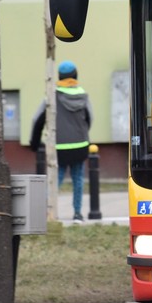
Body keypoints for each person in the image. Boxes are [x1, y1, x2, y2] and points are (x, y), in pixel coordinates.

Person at [29, 60, 93, 221]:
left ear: (60, 76)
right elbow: (90, 118)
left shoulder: (52, 95)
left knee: (55, 180)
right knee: (78, 179)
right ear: (75, 75)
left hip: (59, 146)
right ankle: (77, 213)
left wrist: (34, 143)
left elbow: (37, 119)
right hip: (80, 145)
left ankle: (46, 213)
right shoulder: (83, 95)